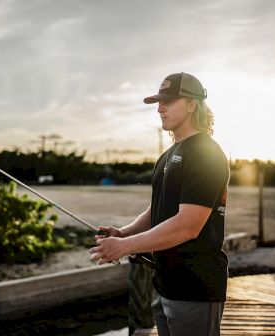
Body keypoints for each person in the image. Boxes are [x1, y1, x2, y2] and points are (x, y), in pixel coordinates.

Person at [90, 72, 230, 336]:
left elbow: (188, 226)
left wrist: (124, 247)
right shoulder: (168, 155)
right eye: (158, 101)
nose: (159, 108)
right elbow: (158, 208)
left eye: (168, 101)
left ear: (192, 104)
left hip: (195, 286)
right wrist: (124, 233)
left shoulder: (205, 153)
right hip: (164, 282)